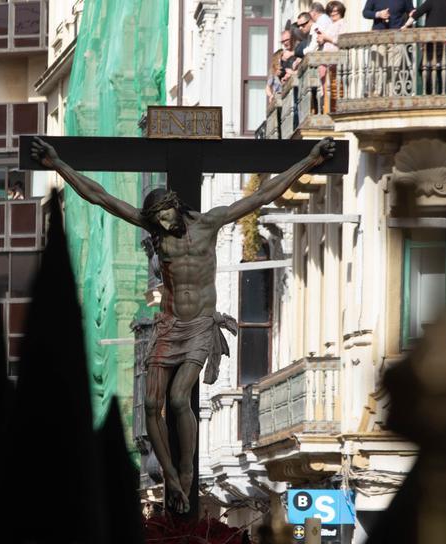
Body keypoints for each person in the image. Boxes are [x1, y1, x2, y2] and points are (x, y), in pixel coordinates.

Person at [29, 136, 336, 513]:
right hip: (169, 324)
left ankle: (186, 476)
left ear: (175, 206)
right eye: (155, 219)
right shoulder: (156, 232)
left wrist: (308, 160)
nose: (161, 222)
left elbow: (261, 195)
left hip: (198, 326)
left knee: (178, 400)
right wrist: (58, 165)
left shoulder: (210, 222)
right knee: (151, 401)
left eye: (165, 215)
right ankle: (170, 478)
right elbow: (101, 196)